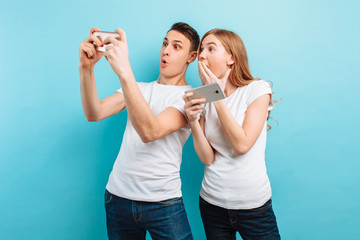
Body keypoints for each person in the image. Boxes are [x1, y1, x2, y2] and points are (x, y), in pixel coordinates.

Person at [78, 22, 199, 240]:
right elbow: (93, 113)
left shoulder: (190, 98)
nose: (166, 50)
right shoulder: (139, 87)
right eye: (165, 43)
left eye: (177, 46)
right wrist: (86, 69)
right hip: (117, 198)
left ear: (191, 57)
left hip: (164, 203)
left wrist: (125, 72)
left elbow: (150, 132)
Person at [183, 29, 281, 240]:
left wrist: (217, 98)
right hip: (212, 204)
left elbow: (242, 145)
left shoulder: (257, 90)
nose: (202, 55)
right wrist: (192, 122)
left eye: (211, 48)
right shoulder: (203, 97)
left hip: (254, 208)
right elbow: (207, 158)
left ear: (231, 58)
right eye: (201, 50)